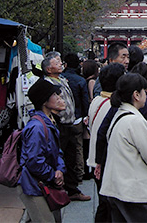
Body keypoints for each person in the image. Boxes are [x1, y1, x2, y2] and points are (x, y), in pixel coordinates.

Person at [100, 73, 147, 223]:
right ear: (136, 95)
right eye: (143, 91)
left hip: (117, 186)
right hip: (132, 188)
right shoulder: (135, 121)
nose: (146, 95)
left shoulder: (119, 115)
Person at [41, 52, 90, 202]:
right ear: (48, 69)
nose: (61, 64)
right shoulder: (47, 83)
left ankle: (72, 189)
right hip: (59, 124)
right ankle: (57, 189)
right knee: (58, 156)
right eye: (57, 62)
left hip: (69, 123)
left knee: (71, 157)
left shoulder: (62, 79)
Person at [19, 78, 67, 223]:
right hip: (33, 186)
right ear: (44, 101)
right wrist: (53, 175)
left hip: (44, 182)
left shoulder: (50, 121)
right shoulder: (37, 127)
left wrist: (60, 169)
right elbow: (34, 161)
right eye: (55, 95)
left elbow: (57, 151)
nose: (59, 98)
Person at [87, 63, 125, 223]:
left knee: (104, 202)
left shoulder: (96, 100)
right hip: (106, 162)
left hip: (95, 159)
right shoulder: (113, 106)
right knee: (110, 205)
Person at [61, 53, 90, 200]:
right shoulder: (80, 80)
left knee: (63, 150)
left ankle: (64, 178)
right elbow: (84, 100)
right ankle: (79, 173)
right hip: (77, 117)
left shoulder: (61, 79)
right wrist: (86, 116)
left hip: (61, 119)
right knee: (77, 147)